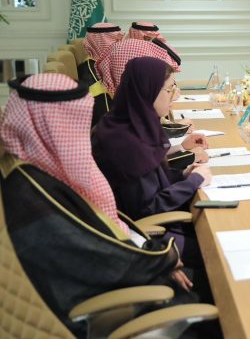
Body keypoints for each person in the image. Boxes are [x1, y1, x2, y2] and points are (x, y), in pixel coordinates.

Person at [0, 73, 193, 336]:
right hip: (98, 312)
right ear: (52, 127)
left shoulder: (39, 170)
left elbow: (101, 231)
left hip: (114, 277)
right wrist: (164, 259)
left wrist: (157, 255)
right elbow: (101, 257)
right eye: (72, 124)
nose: (78, 134)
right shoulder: (32, 192)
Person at [92, 57, 212, 268]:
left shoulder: (130, 124)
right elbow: (148, 208)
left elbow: (152, 178)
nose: (174, 95)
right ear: (147, 91)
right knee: (218, 247)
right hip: (149, 239)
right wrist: (194, 181)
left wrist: (183, 175)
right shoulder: (126, 143)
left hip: (153, 225)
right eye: (169, 89)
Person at [79, 22, 123, 86]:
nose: (120, 44)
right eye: (115, 40)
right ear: (98, 43)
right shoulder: (90, 69)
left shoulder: (107, 63)